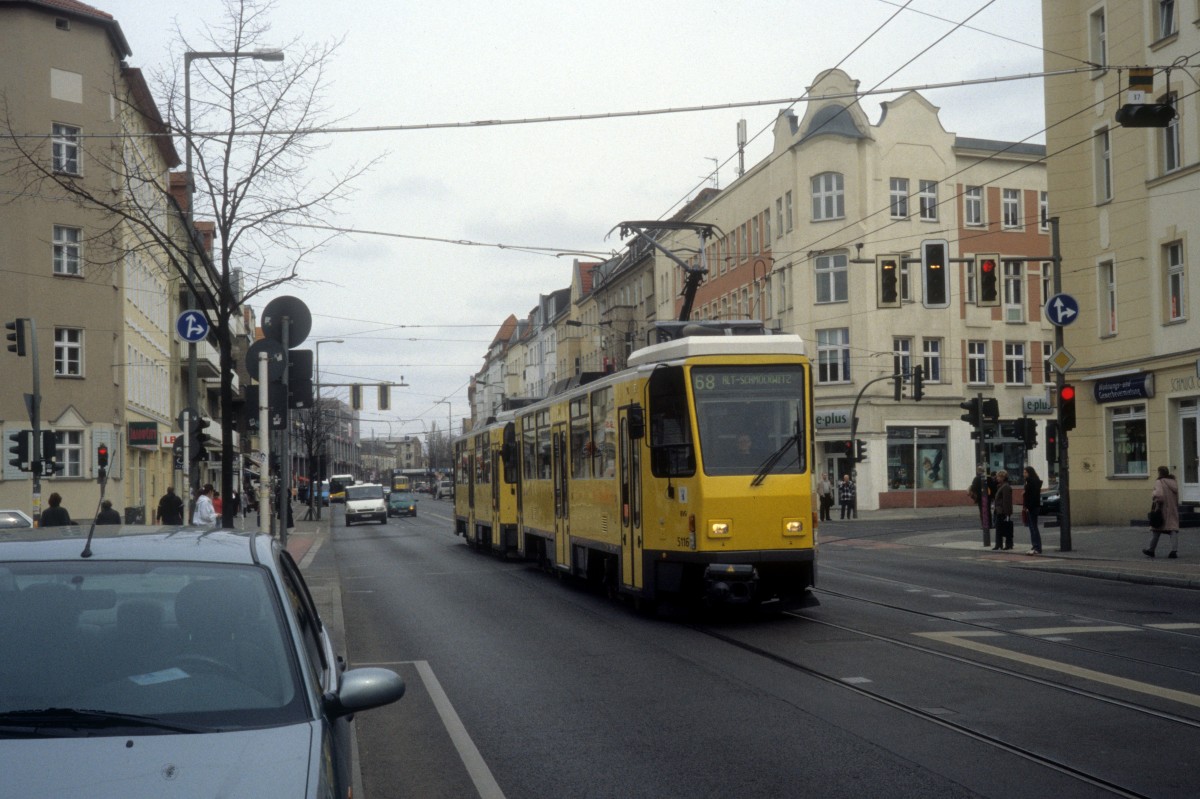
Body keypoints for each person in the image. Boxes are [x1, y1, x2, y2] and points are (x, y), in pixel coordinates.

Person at [1144, 465, 1180, 559]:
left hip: (1162, 509)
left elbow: (1159, 495)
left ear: (1160, 472)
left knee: (1156, 528)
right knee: (1172, 529)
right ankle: (1174, 551)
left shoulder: (1159, 482)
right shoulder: (1173, 482)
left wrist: (1154, 496)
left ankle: (1151, 550)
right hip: (1172, 508)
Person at [968, 466, 991, 548]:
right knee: (987, 510)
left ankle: (984, 525)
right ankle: (989, 524)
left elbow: (973, 487)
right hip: (987, 497)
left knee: (982, 511)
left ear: (978, 471)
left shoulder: (976, 478)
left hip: (980, 497)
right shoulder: (987, 478)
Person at [1022, 466, 1043, 555]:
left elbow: (1032, 496)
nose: (1024, 474)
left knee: (1033, 527)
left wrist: (1027, 507)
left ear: (1029, 473)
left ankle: (1036, 546)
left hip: (1032, 507)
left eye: (1025, 472)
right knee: (1033, 527)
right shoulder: (1033, 482)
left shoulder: (1031, 482)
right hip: (1034, 506)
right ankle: (1035, 545)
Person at [992, 469, 1013, 550]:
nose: (997, 478)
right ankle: (998, 544)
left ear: (1003, 477)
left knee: (1006, 528)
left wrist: (1007, 513)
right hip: (998, 510)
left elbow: (1006, 501)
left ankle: (1008, 544)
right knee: (999, 528)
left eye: (998, 477)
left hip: (1002, 511)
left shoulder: (1006, 487)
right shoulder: (1001, 486)